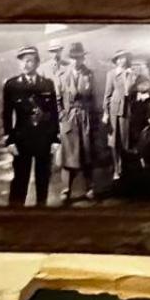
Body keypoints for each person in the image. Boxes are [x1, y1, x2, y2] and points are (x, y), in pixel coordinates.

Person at [2, 44, 59, 207]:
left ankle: (41, 211)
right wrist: (9, 141)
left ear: (37, 63)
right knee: (20, 179)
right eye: (22, 61)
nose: (25, 64)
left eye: (29, 61)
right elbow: (7, 115)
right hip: (22, 139)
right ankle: (15, 213)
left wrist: (55, 139)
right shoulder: (12, 85)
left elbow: (54, 113)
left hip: (44, 138)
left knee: (43, 179)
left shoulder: (47, 84)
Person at [56, 40, 97, 204]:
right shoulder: (62, 76)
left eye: (79, 57)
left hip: (85, 118)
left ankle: (90, 188)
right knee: (68, 156)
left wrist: (92, 118)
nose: (76, 60)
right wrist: (62, 116)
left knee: (87, 154)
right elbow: (57, 99)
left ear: (83, 58)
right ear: (69, 59)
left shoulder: (89, 74)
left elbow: (93, 98)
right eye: (73, 58)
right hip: (69, 119)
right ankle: (66, 190)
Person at [102, 48, 135, 182]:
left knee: (125, 140)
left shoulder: (132, 73)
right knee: (114, 141)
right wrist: (105, 112)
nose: (122, 60)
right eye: (120, 58)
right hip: (114, 110)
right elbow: (107, 94)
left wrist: (131, 77)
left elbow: (137, 88)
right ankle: (116, 168)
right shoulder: (111, 74)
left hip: (127, 110)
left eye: (124, 57)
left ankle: (125, 167)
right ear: (116, 61)